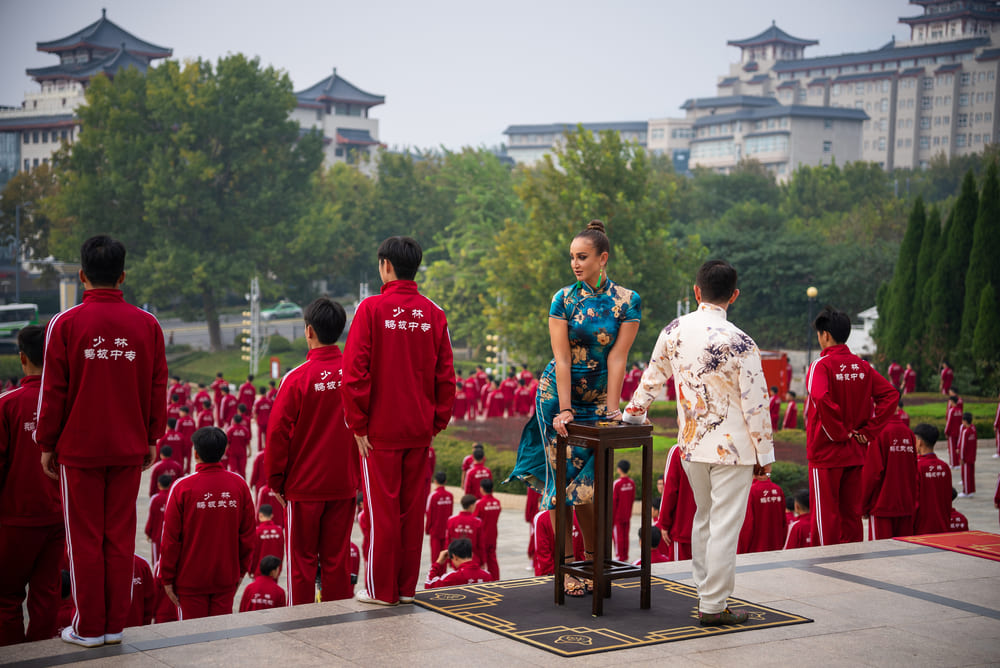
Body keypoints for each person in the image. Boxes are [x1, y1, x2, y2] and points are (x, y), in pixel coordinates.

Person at [36, 235, 168, 648]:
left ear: (81, 276)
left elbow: (53, 390)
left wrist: (46, 442)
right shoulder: (146, 324)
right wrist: (152, 437)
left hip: (80, 450)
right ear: (123, 276)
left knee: (85, 539)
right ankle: (113, 625)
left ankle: (89, 626)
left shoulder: (66, 323)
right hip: (129, 447)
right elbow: (156, 385)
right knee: (119, 536)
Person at [625, 259, 772, 626]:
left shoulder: (674, 330)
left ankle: (705, 589)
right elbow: (757, 404)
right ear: (734, 296)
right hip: (734, 450)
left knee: (705, 517)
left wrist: (632, 415)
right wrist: (765, 454)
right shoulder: (741, 342)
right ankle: (713, 604)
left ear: (696, 291)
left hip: (691, 445)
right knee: (724, 525)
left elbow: (652, 380)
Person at [510, 220, 641, 599]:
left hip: (598, 399)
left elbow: (619, 357)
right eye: (571, 257)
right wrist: (564, 409)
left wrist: (613, 410)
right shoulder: (564, 299)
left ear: (603, 258)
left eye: (582, 257)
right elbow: (561, 358)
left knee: (590, 487)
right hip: (557, 396)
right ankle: (566, 569)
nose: (575, 264)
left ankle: (594, 562)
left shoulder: (627, 301)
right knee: (560, 485)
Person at [343, 236, 456, 606]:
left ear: (385, 265)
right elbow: (446, 376)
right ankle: (406, 589)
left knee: (383, 513)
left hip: (379, 432)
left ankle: (380, 590)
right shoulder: (434, 313)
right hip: (418, 430)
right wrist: (435, 423)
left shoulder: (371, 309)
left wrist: (358, 424)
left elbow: (355, 372)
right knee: (410, 512)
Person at [267, 298, 359, 605]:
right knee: (337, 559)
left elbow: (278, 434)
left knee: (302, 562)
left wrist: (276, 481)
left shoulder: (296, 379)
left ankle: (301, 624)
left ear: (309, 331)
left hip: (304, 487)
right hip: (344, 483)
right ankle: (337, 621)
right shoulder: (356, 374)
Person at [804, 306, 897, 547]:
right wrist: (868, 431)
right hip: (856, 451)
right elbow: (890, 395)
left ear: (825, 335)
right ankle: (852, 565)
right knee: (851, 516)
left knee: (825, 517)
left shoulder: (820, 366)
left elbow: (820, 397)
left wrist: (839, 432)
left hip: (826, 452)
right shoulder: (863, 366)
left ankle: (824, 568)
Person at [0, 326, 64, 646]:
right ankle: (43, 657)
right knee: (47, 595)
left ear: (23, 358)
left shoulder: (7, 404)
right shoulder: (70, 402)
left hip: (14, 519)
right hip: (59, 517)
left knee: (5, 597)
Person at [158, 426, 255, 620]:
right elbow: (247, 536)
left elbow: (170, 539)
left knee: (192, 641)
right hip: (225, 577)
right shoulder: (238, 485)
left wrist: (167, 578)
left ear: (195, 453)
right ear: (224, 451)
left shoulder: (182, 488)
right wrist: (240, 571)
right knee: (220, 639)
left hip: (190, 580)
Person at [861, 410, 918, 539]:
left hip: (882, 506)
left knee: (880, 555)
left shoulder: (878, 432)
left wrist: (863, 506)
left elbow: (872, 474)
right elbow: (914, 471)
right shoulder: (908, 433)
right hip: (905, 506)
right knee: (903, 554)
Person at [658, 444, 695, 562]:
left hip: (682, 528)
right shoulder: (713, 447)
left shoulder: (678, 450)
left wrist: (664, 523)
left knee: (681, 577)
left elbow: (669, 490)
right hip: (710, 530)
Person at [913, 423, 952, 535]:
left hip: (921, 531)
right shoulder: (944, 467)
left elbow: (914, 502)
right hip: (943, 528)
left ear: (919, 442)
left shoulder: (917, 466)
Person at [737, 472, 787, 554]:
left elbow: (747, 525)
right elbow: (784, 521)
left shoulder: (751, 491)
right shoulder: (778, 489)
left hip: (755, 550)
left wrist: (742, 551)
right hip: (776, 547)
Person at [424, 538, 493, 589]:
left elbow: (428, 585)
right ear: (472, 555)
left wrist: (437, 563)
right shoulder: (487, 575)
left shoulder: (451, 577)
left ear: (455, 557)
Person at [473, 478, 502, 581]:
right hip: (493, 535)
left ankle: (481, 579)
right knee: (492, 560)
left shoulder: (479, 504)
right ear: (492, 488)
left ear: (481, 489)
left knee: (480, 560)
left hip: (482, 537)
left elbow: (474, 521)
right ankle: (495, 579)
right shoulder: (497, 503)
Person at [446, 494, 486, 567]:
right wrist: (483, 562)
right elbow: (480, 544)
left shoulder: (451, 520)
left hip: (456, 560)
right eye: (475, 505)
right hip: (473, 560)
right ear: (471, 506)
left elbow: (448, 541)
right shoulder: (477, 522)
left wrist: (449, 560)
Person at [250, 504, 285, 578]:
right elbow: (281, 552)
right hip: (274, 570)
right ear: (272, 515)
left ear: (260, 515)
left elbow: (254, 553)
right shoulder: (279, 531)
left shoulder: (257, 531)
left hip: (259, 571)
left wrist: (251, 570)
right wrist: (279, 569)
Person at [425, 471, 454, 559]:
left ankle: (435, 573)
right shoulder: (450, 496)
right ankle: (443, 573)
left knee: (435, 557)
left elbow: (428, 513)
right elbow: (450, 513)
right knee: (445, 555)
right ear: (445, 481)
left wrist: (427, 529)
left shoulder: (433, 496)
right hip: (446, 530)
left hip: (435, 530)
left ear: (435, 481)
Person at [145, 474, 172, 567]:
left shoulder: (155, 499)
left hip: (157, 534)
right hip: (172, 535)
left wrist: (148, 532)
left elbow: (151, 517)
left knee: (157, 561)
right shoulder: (173, 497)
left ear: (158, 484)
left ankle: (157, 579)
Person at [612, 460, 636, 562]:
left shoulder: (617, 484)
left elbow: (613, 502)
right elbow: (632, 499)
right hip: (627, 515)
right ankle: (625, 556)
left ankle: (619, 557)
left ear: (619, 469)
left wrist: (611, 519)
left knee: (618, 537)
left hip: (617, 516)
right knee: (625, 536)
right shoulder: (631, 483)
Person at [126, 555, 155, 629]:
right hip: (107, 633)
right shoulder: (98, 564)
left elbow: (149, 599)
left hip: (137, 628)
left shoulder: (141, 564)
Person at [225, 414, 252, 480]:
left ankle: (232, 485)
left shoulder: (230, 430)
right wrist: (250, 451)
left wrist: (225, 451)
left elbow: (227, 443)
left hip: (232, 454)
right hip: (242, 453)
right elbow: (248, 442)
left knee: (233, 471)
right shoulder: (245, 430)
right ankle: (242, 485)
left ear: (233, 420)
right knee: (242, 472)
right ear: (241, 421)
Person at [957, 412, 977, 497]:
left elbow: (962, 446)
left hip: (966, 457)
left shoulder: (966, 431)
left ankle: (966, 491)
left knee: (966, 474)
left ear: (965, 421)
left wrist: (961, 457)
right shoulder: (973, 429)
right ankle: (971, 490)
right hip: (972, 456)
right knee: (971, 474)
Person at [531, 508, 555, 576]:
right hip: (577, 571)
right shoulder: (579, 515)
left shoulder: (542, 517)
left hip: (550, 573)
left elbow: (542, 550)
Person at [945, 393, 964, 469]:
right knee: (957, 448)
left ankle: (953, 464)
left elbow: (949, 422)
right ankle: (958, 463)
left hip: (952, 433)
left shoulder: (951, 410)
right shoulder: (960, 411)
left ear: (952, 401)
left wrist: (946, 432)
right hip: (958, 432)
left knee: (952, 449)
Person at [176, 406, 197, 473]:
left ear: (184, 412)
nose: (179, 413)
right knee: (189, 457)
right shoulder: (192, 421)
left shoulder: (180, 421)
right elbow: (194, 431)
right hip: (190, 442)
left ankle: (181, 470)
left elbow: (177, 432)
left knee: (181, 457)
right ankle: (188, 470)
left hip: (182, 442)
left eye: (180, 411)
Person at [253, 387, 273, 452]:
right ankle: (267, 449)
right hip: (268, 422)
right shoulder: (269, 402)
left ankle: (260, 451)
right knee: (267, 436)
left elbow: (255, 413)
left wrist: (256, 421)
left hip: (260, 423)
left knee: (260, 438)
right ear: (265, 392)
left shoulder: (258, 403)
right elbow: (272, 412)